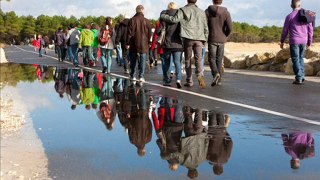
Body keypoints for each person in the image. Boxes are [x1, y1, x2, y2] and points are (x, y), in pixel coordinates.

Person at [160, 0, 208, 89]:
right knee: (199, 58)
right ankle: (199, 73)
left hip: (188, 38)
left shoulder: (183, 10)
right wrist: (205, 39)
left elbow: (174, 19)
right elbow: (205, 26)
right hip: (200, 38)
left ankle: (189, 81)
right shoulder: (202, 12)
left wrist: (163, 16)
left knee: (188, 59)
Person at [280, 0, 314, 85]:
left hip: (294, 41)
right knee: (300, 58)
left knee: (295, 59)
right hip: (304, 41)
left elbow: (285, 30)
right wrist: (310, 41)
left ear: (291, 5)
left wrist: (282, 41)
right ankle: (301, 76)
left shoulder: (289, 16)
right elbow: (311, 30)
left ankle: (299, 77)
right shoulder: (307, 15)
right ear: (300, 5)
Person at [205, 0, 232, 86]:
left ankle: (215, 73)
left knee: (211, 59)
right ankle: (219, 80)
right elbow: (230, 27)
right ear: (221, 1)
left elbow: (204, 25)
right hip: (221, 39)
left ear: (213, 1)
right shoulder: (226, 12)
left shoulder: (207, 11)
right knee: (219, 59)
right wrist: (225, 35)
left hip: (211, 38)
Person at [159, 2, 184, 88]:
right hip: (178, 43)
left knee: (166, 63)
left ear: (168, 7)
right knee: (177, 63)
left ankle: (167, 81)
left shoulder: (164, 16)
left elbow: (159, 30)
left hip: (167, 43)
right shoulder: (180, 16)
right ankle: (178, 79)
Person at [126, 5, 153, 83]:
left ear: (136, 10)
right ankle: (141, 76)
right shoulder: (147, 21)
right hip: (144, 43)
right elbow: (150, 33)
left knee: (133, 60)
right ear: (142, 10)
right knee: (143, 60)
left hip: (134, 42)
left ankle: (133, 75)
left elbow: (129, 34)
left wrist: (128, 43)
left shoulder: (132, 20)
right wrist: (149, 42)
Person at [206, 111, 233, 176]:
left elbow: (230, 144)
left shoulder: (225, 159)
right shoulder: (209, 158)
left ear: (222, 168)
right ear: (213, 168)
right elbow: (205, 145)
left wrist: (225, 134)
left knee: (220, 113)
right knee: (212, 112)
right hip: (212, 132)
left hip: (221, 132)